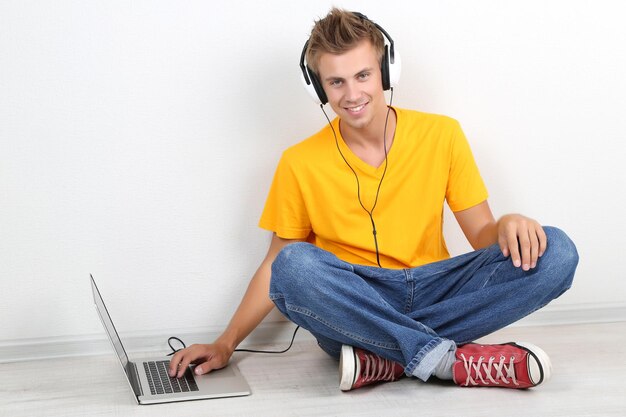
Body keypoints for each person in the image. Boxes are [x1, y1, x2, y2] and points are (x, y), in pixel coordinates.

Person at [169, 8, 578, 391]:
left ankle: (389, 356)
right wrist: (226, 343)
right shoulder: (298, 162)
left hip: (431, 287)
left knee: (556, 250)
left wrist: (508, 222)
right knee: (293, 265)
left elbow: (482, 236)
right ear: (318, 87)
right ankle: (447, 360)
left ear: (385, 71)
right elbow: (276, 267)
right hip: (355, 300)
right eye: (336, 82)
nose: (352, 93)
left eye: (363, 75)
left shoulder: (443, 135)